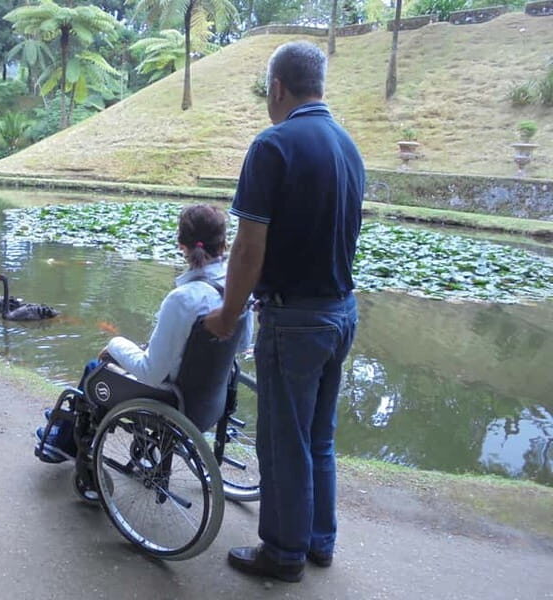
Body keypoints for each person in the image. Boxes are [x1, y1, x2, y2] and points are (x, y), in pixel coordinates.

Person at [204, 41, 365, 583]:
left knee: (282, 440)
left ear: (276, 88)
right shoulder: (348, 146)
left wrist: (228, 314)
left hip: (294, 320)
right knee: (318, 435)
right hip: (341, 311)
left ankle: (283, 552)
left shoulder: (274, 145)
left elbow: (249, 247)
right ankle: (319, 541)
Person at [37, 204, 253, 462]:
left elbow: (152, 373)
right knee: (121, 360)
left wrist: (115, 345)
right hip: (210, 401)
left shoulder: (183, 299)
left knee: (95, 369)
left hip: (173, 400)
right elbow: (242, 345)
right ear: (224, 244)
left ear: (181, 245)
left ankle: (64, 442)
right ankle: (70, 419)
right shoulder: (238, 289)